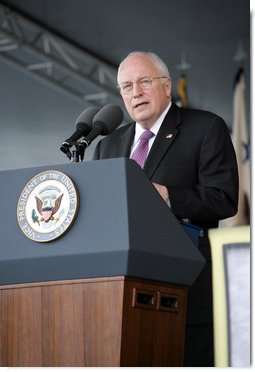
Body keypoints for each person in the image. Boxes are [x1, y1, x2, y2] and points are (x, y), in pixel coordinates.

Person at [93, 51, 238, 366]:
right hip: (124, 291)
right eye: (127, 86)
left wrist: (168, 195)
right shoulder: (108, 145)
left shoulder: (205, 127)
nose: (136, 92)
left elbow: (224, 198)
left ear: (167, 85)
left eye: (144, 81)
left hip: (188, 289)